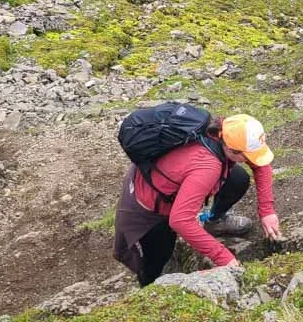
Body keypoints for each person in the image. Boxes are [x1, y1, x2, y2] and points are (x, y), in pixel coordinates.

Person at [113, 113, 283, 286]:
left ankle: (215, 221)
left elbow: (260, 164)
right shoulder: (208, 167)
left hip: (176, 176)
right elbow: (180, 221)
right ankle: (149, 289)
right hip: (149, 203)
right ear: (231, 150)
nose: (251, 160)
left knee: (238, 179)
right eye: (247, 156)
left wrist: (267, 211)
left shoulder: (224, 130)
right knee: (158, 255)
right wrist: (224, 258)